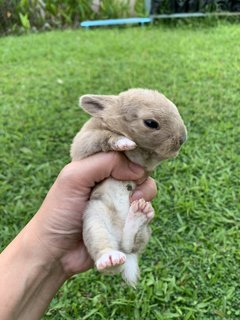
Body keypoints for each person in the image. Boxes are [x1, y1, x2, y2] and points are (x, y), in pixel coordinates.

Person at [0, 152, 157, 320]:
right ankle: (107, 249)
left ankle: (128, 237)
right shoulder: (103, 130)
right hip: (101, 202)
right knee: (94, 215)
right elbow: (81, 148)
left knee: (135, 214)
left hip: (122, 206)